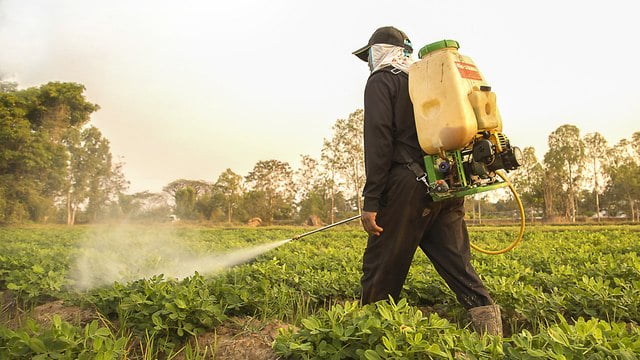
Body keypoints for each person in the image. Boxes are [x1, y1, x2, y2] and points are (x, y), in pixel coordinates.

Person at [352, 26, 502, 336]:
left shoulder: (383, 81)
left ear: (378, 52)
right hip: (445, 183)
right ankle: (491, 337)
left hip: (406, 188)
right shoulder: (429, 83)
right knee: (459, 266)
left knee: (380, 268)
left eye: (369, 55)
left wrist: (371, 201)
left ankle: (368, 338)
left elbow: (378, 142)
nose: (368, 62)